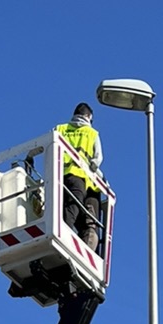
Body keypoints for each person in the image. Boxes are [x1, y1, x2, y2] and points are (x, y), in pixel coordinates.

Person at [55, 102, 103, 250]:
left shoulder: (60, 129)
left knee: (60, 207)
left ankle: (60, 233)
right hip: (78, 176)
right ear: (88, 116)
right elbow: (97, 159)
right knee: (72, 207)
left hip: (59, 176)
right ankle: (64, 239)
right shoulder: (92, 133)